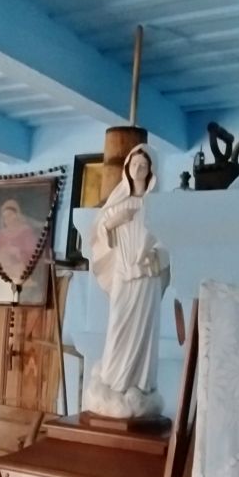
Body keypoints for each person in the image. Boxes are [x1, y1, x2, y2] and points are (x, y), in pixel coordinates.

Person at [84, 144, 169, 419]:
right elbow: (99, 232)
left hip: (147, 279)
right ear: (127, 169)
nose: (138, 169)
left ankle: (140, 385)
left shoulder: (157, 206)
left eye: (143, 165)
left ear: (151, 170)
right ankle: (114, 382)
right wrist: (113, 222)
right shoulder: (118, 202)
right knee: (118, 327)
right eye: (134, 164)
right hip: (123, 275)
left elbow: (169, 243)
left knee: (144, 331)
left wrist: (156, 256)